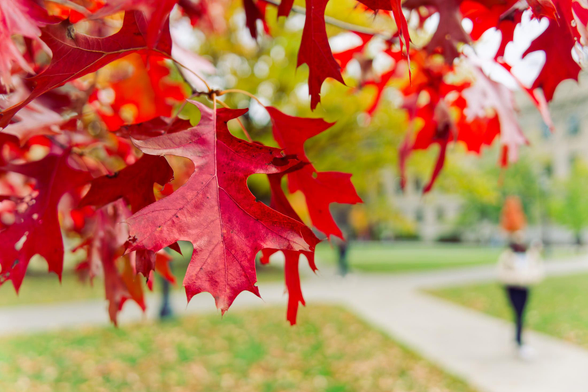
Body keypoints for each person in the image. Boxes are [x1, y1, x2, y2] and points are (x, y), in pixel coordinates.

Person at [497, 196, 544, 359]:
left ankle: (518, 340)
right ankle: (519, 340)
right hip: (512, 288)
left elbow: (537, 269)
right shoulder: (508, 256)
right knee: (518, 313)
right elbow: (502, 273)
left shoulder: (529, 255)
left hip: (525, 287)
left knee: (521, 314)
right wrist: (515, 279)